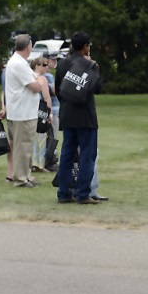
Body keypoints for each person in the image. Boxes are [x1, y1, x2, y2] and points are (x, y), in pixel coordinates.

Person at [56, 32, 103, 204]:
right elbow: (97, 88)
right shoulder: (90, 65)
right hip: (85, 116)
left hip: (67, 115)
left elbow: (58, 89)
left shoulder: (62, 64)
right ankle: (83, 194)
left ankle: (63, 192)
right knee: (86, 155)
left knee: (67, 155)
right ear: (86, 46)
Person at [4, 34, 43, 187]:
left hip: (22, 111)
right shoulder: (18, 64)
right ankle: (20, 178)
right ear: (28, 47)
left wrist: (37, 79)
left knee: (26, 145)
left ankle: (26, 175)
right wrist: (38, 81)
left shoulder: (19, 62)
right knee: (23, 146)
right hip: (23, 112)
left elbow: (35, 78)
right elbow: (35, 86)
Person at [30, 57, 54, 174]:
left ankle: (32, 163)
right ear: (37, 65)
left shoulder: (29, 76)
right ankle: (40, 163)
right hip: (40, 110)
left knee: (32, 137)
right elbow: (47, 97)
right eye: (44, 65)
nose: (47, 67)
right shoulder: (42, 79)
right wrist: (50, 112)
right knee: (42, 137)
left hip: (29, 110)